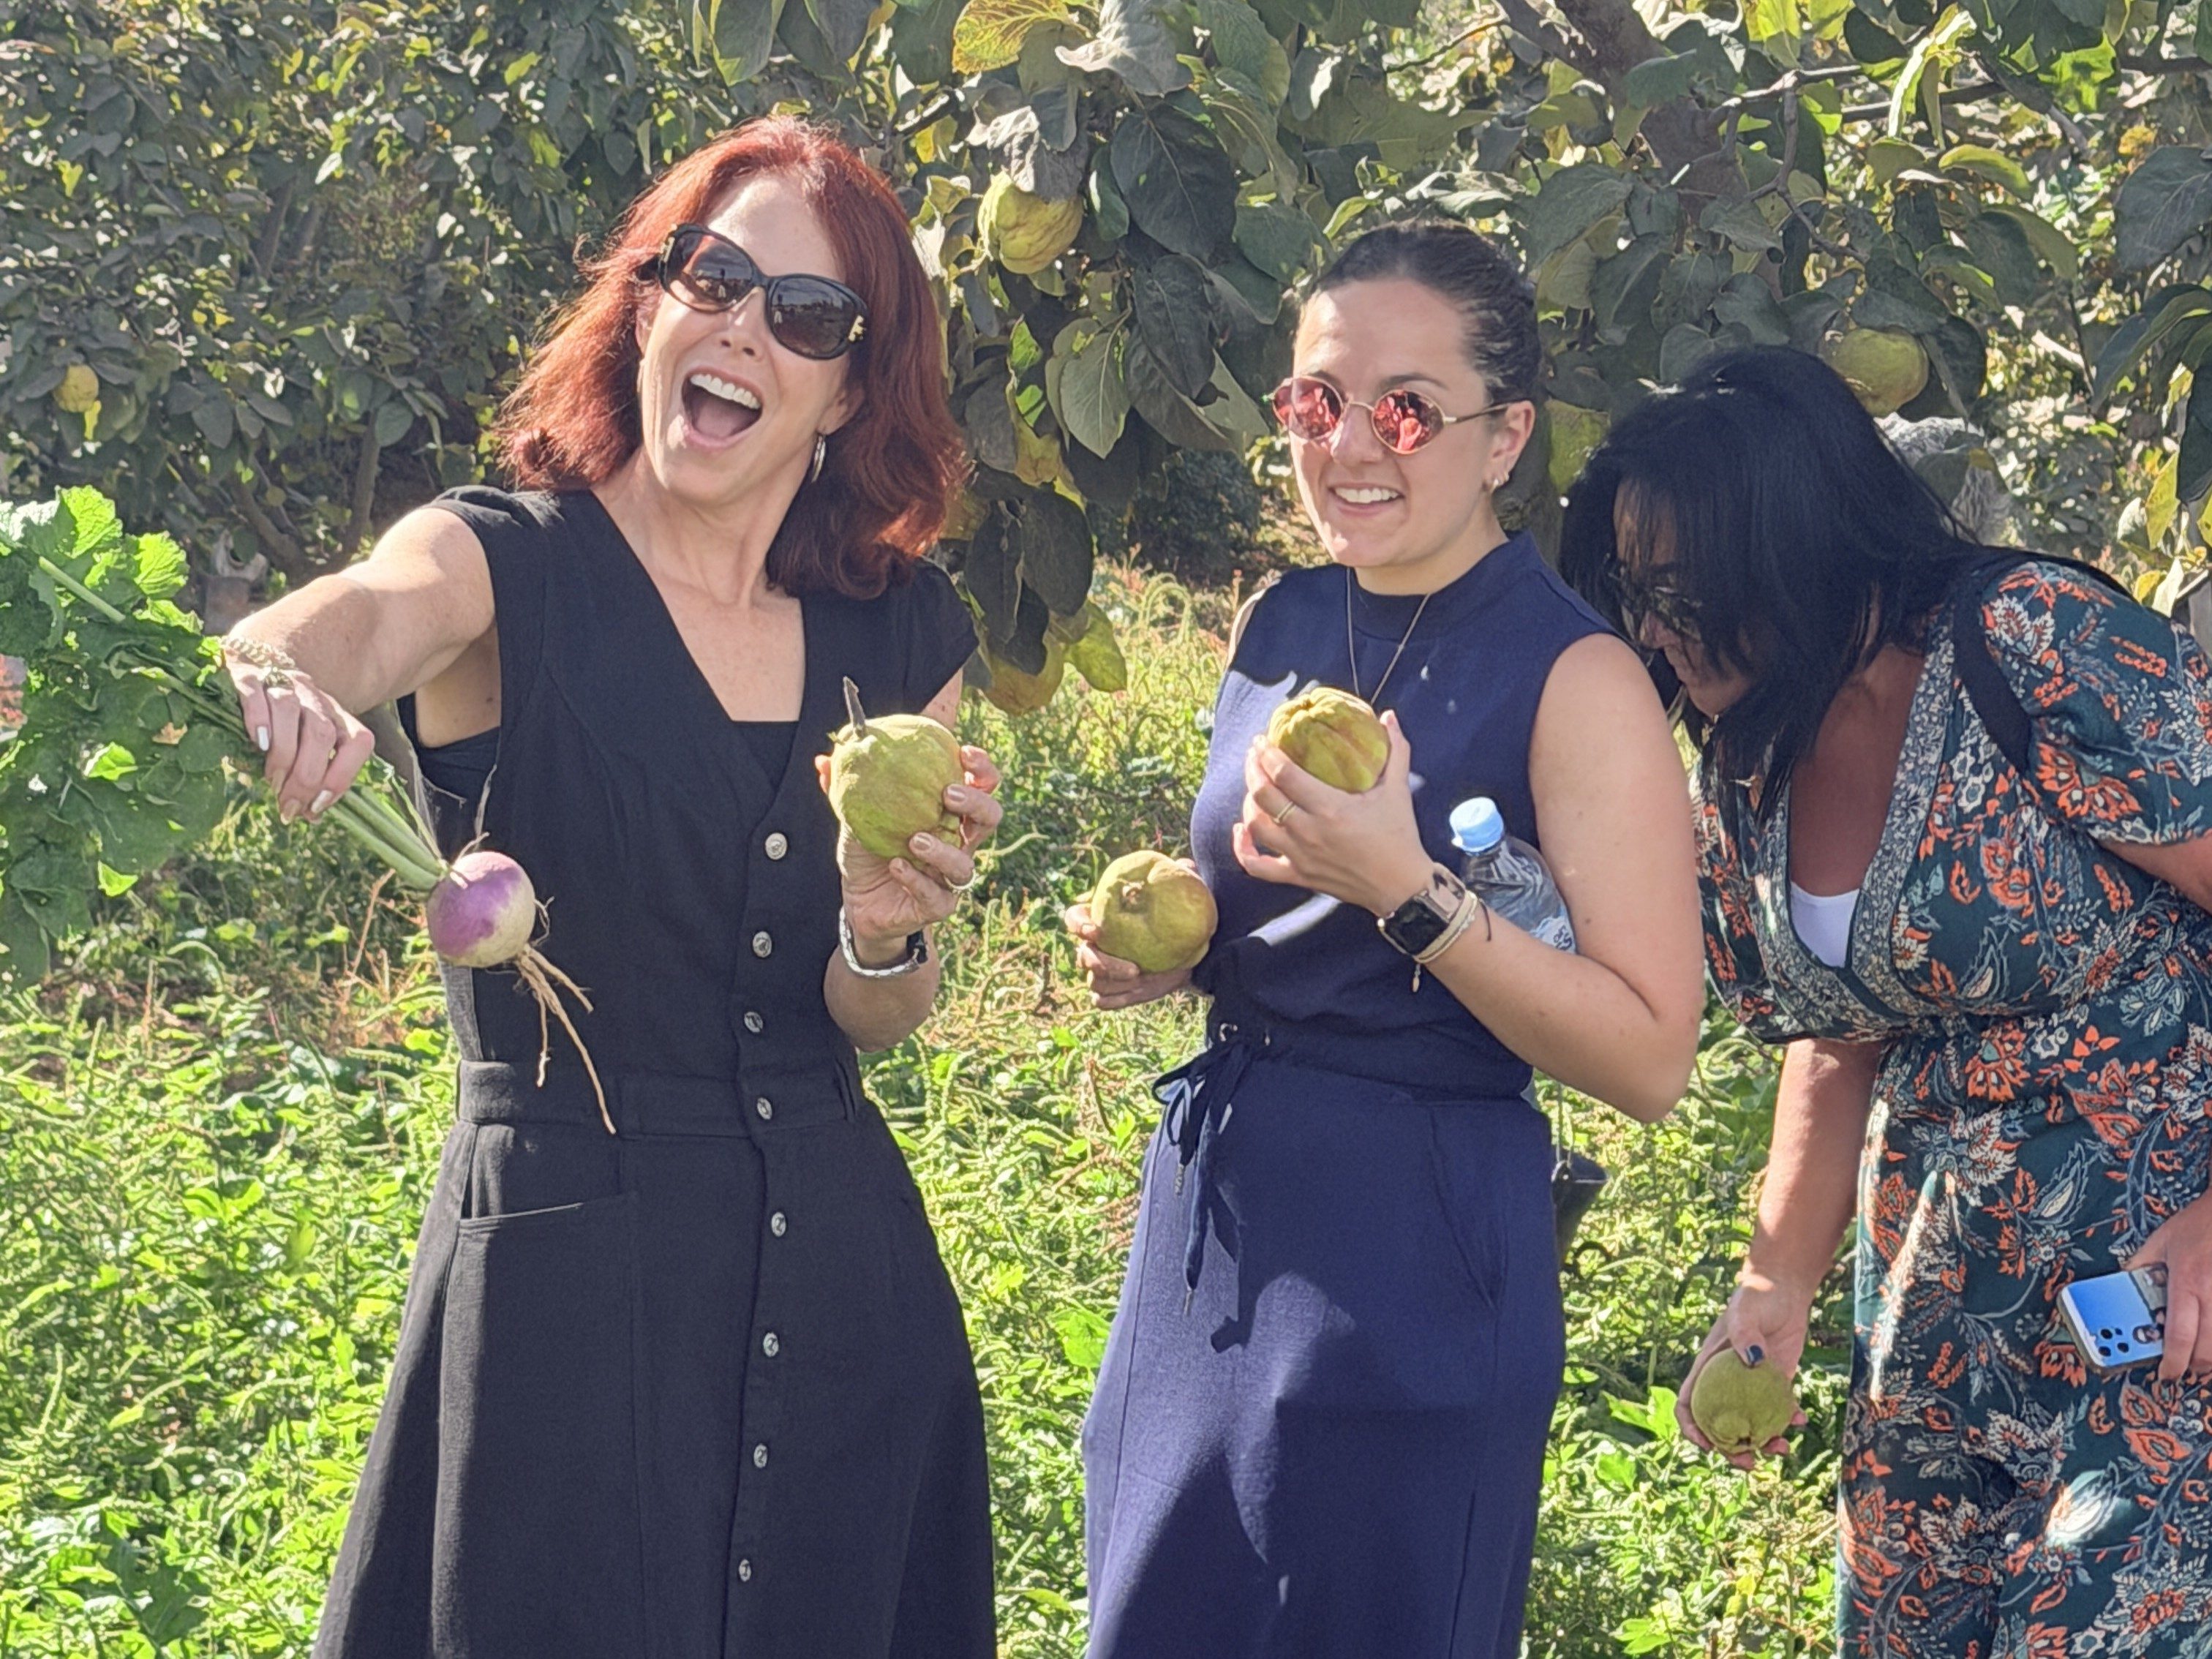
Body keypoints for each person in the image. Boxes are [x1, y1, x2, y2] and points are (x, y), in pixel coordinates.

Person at [219, 118, 1002, 1658]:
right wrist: (259, 669)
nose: (742, 328)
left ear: (853, 390)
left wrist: (883, 927)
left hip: (842, 1295)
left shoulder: (905, 638)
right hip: (569, 1304)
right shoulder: (501, 564)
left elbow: (879, 1014)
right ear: (649, 305)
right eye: (713, 279)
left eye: (808, 315)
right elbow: (360, 620)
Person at [1066, 220, 1707, 1657]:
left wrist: (1408, 891)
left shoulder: (1577, 677)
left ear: (1503, 437)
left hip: (1415, 1244)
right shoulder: (1281, 618)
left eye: (1405, 407)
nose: (1350, 443)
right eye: (1316, 400)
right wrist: (1171, 954)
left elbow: (1651, 1051)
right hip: (1213, 1230)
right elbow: (1254, 918)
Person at [1558, 345, 2212, 1655]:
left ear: (1795, 544)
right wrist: (1771, 1295)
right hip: (1933, 1321)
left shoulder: (2028, 643)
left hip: (2158, 1298)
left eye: (1680, 590)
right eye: (1631, 593)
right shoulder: (1755, 753)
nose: (1650, 633)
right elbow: (1840, 1032)